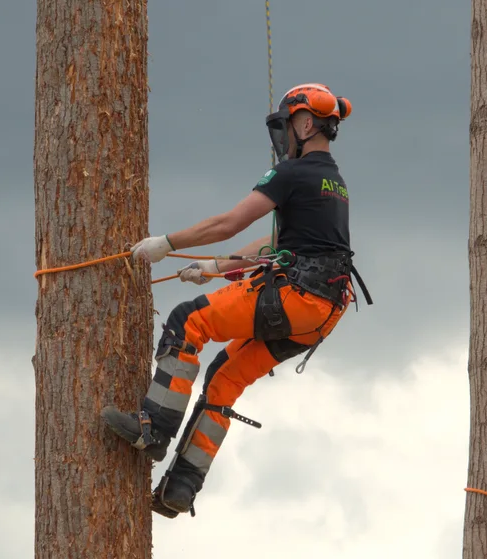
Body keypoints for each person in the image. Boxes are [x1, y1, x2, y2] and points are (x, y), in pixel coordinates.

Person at [102, 83, 369, 518]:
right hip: (322, 313)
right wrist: (211, 269)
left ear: (304, 124)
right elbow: (276, 242)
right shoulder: (333, 182)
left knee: (188, 322)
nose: (282, 139)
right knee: (224, 378)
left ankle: (153, 429)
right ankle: (181, 487)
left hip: (295, 295)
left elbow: (228, 223)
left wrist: (166, 244)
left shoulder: (291, 175)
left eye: (286, 127)